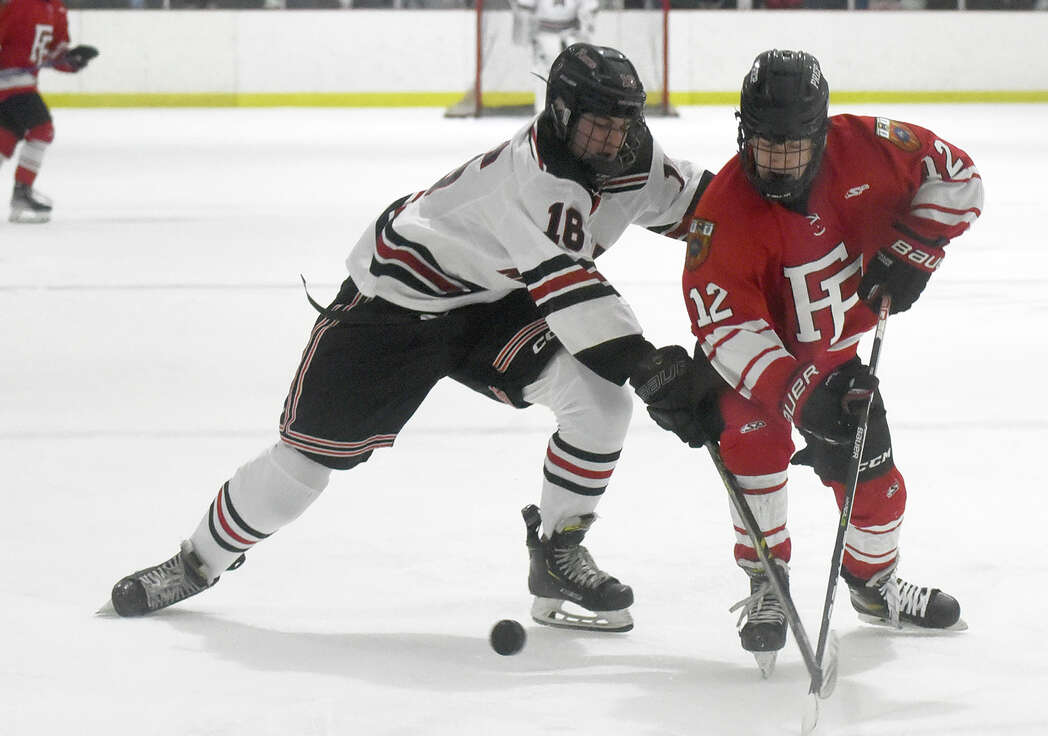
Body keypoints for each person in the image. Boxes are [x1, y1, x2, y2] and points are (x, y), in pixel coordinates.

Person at [107, 43, 711, 635]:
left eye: (620, 125)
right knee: (305, 464)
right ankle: (195, 562)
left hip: (492, 302)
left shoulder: (632, 157)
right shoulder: (537, 179)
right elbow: (574, 294)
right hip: (397, 304)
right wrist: (647, 362)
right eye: (596, 127)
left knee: (601, 404)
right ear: (559, 112)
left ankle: (558, 556)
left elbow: (704, 207)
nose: (610, 141)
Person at [639, 49, 983, 663]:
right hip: (756, 368)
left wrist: (917, 249)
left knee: (873, 479)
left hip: (835, 352)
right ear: (744, 132)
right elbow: (729, 329)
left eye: (793, 147)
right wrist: (798, 394)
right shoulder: (722, 213)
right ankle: (767, 581)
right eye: (764, 146)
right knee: (753, 447)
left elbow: (958, 176)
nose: (777, 163)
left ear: (822, 133)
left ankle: (874, 587)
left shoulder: (869, 146)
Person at [0, 0, 98, 223]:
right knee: (42, 129)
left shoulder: (58, 9)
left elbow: (54, 55)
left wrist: (73, 60)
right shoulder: (15, 4)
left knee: (4, 139)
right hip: (9, 84)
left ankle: (22, 196)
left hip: (23, 84)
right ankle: (22, 194)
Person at [514, 0, 598, 111]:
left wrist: (584, 30)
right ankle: (543, 111)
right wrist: (526, 31)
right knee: (543, 76)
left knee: (576, 75)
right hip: (544, 35)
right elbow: (525, 8)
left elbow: (589, 9)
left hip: (572, 35)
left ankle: (574, 111)